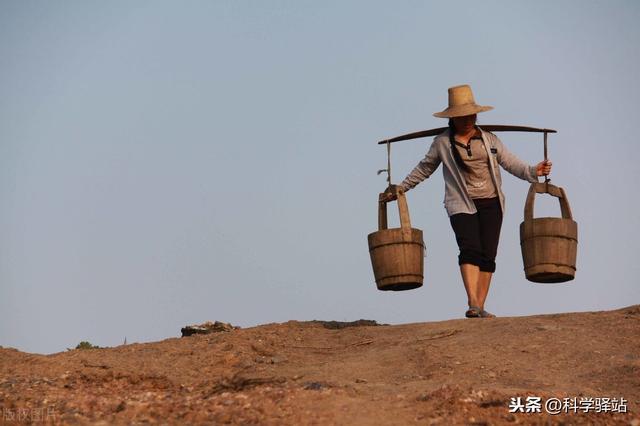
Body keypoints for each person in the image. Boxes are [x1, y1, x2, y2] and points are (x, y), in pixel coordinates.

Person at [381, 84, 552, 318]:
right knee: (469, 249)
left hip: (492, 203)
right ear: (452, 119)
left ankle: (480, 306)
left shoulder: (489, 140)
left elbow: (512, 163)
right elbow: (424, 168)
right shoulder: (442, 143)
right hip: (461, 203)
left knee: (488, 254)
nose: (468, 120)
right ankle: (472, 302)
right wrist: (401, 189)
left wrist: (535, 171)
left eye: (471, 115)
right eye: (462, 117)